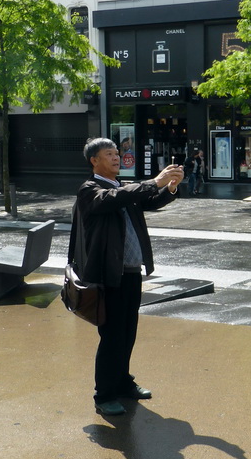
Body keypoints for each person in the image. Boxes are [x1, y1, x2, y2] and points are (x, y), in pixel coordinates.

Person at [70, 137, 184, 416]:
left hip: (131, 272)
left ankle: (122, 382)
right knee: (111, 335)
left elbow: (149, 201)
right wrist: (153, 181)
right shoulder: (90, 190)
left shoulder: (123, 188)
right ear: (94, 161)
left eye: (117, 153)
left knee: (128, 332)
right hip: (108, 277)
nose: (116, 157)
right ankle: (104, 394)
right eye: (108, 154)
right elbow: (113, 199)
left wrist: (170, 187)